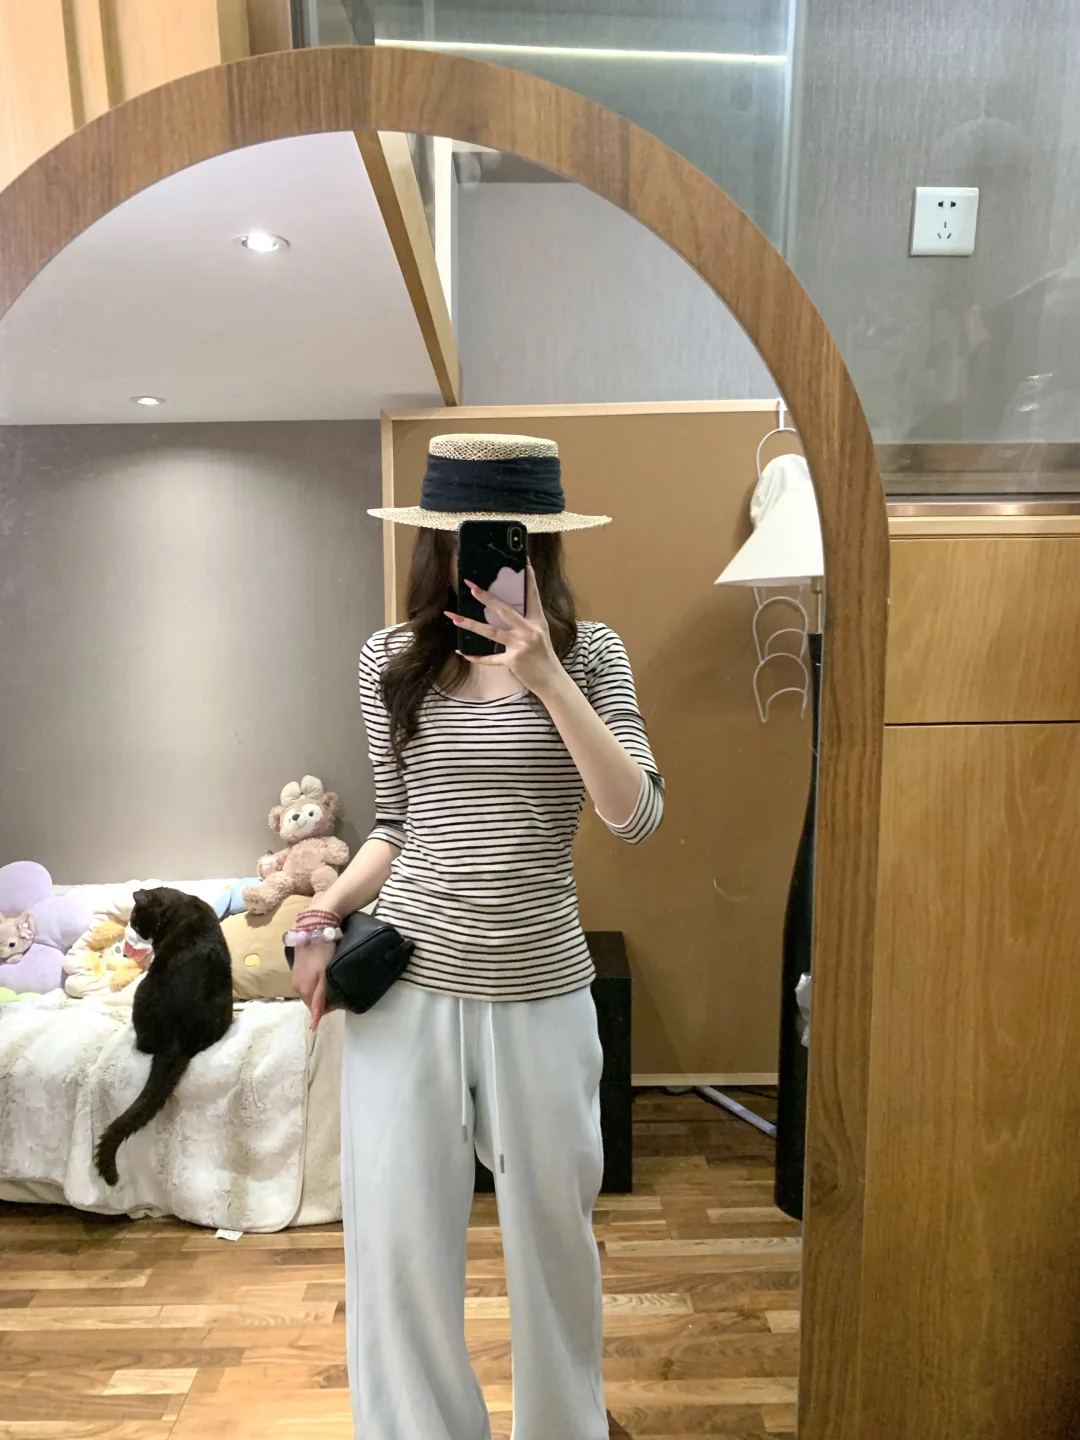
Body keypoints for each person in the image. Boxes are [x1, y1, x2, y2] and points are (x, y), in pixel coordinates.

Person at [290, 434, 664, 1440]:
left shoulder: (593, 655)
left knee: (555, 1244)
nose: (494, 556)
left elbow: (635, 813)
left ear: (541, 544)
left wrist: (546, 675)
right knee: (401, 1247)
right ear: (439, 543)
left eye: (514, 538)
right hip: (409, 984)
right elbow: (395, 825)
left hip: (541, 983)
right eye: (472, 537)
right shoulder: (390, 659)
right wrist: (319, 916)